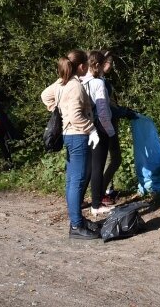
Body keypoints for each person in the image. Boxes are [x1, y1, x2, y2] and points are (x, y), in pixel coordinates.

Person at [41, 50, 101, 240]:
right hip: (77, 136)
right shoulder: (74, 86)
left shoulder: (62, 83)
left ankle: (78, 220)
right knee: (77, 181)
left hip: (69, 135)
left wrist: (60, 109)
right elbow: (76, 116)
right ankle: (76, 225)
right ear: (82, 66)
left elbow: (45, 96)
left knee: (72, 180)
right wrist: (91, 129)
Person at [81, 50, 117, 216]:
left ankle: (81, 200)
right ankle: (96, 204)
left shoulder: (81, 81)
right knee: (98, 167)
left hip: (85, 126)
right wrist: (110, 131)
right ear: (99, 65)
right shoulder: (98, 84)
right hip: (99, 127)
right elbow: (103, 112)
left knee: (89, 166)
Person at [100, 51, 137, 204]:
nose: (111, 65)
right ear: (102, 63)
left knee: (109, 158)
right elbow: (105, 108)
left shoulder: (101, 81)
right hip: (107, 124)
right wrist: (124, 112)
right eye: (109, 62)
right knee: (114, 158)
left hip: (109, 122)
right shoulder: (100, 83)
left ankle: (105, 190)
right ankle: (100, 192)